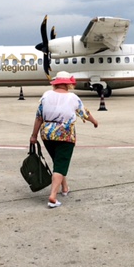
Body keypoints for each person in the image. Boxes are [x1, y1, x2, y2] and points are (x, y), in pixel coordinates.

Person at [30, 71, 98, 208]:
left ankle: (65, 188)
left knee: (58, 162)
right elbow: (84, 113)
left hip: (47, 134)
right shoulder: (72, 98)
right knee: (61, 164)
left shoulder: (46, 95)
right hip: (65, 135)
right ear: (68, 84)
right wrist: (94, 121)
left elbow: (39, 117)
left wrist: (34, 135)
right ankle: (53, 196)